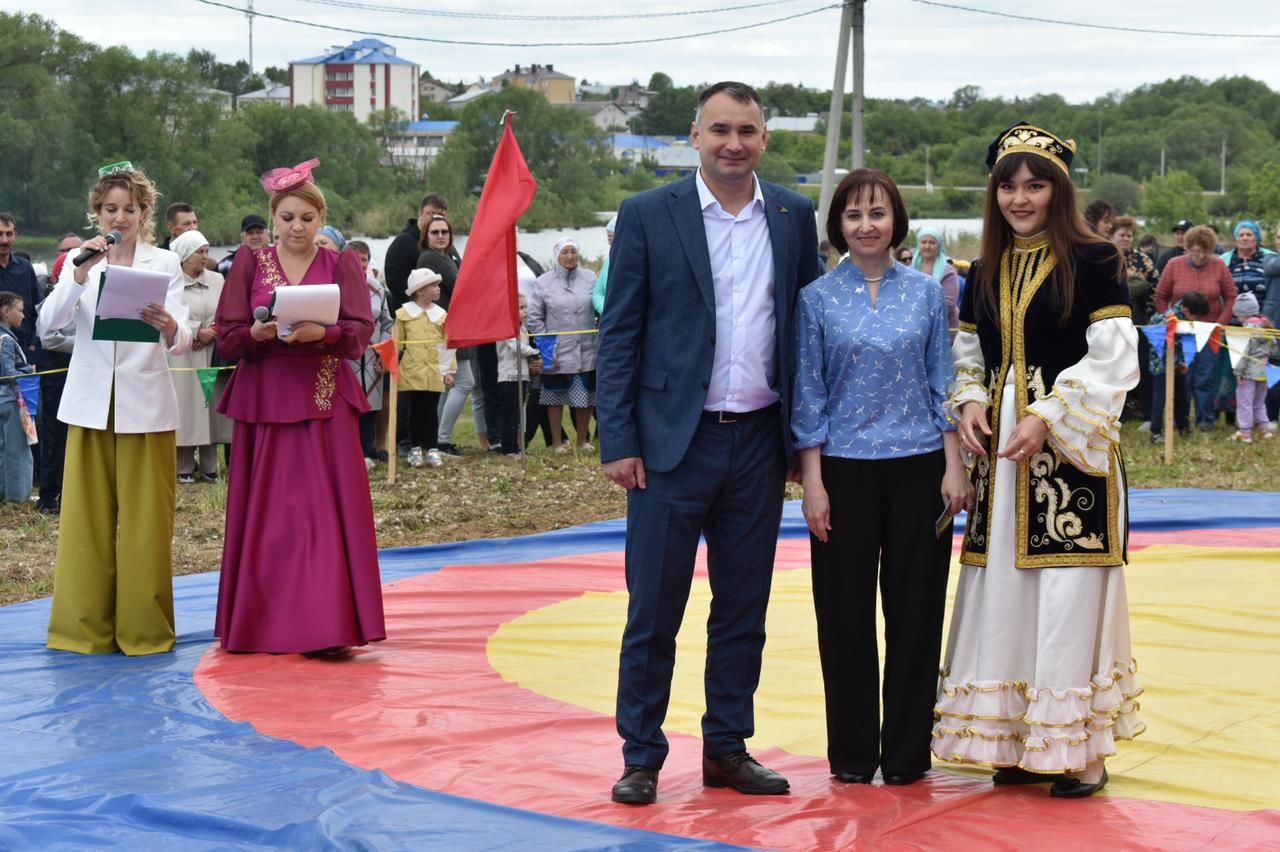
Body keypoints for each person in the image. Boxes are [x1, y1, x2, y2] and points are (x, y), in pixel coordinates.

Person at [597, 81, 823, 805]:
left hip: (758, 441)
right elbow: (620, 333)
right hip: (669, 445)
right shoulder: (646, 215)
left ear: (765, 139)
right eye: (720, 129)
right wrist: (618, 437)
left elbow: (804, 334)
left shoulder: (793, 215)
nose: (734, 143)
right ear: (694, 135)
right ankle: (641, 755)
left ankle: (727, 747)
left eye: (748, 131)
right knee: (653, 609)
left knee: (743, 608)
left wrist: (802, 439)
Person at [932, 123, 1143, 799]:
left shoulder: (1095, 260)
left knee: (1066, 596)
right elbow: (970, 355)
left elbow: (1113, 355)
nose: (1020, 199)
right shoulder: (982, 271)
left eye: (1035, 184)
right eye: (1008, 186)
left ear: (1059, 190)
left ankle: (1077, 751)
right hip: (1003, 461)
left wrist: (1046, 413)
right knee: (1005, 595)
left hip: (1072, 453)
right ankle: (1013, 742)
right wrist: (969, 402)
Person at [793, 169, 971, 787]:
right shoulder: (816, 299)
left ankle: (905, 755)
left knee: (916, 614)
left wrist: (954, 466)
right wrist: (812, 482)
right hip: (842, 470)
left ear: (897, 220)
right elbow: (809, 393)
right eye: (853, 215)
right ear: (838, 226)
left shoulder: (926, 293)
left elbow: (941, 381)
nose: (866, 226)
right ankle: (850, 754)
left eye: (877, 213)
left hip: (921, 468)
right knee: (843, 616)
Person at [213, 158, 384, 656]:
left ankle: (327, 627)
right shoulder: (249, 263)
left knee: (323, 514)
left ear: (320, 219)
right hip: (266, 399)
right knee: (269, 515)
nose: (296, 227)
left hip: (324, 401)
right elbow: (227, 336)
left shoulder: (342, 263)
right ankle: (260, 622)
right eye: (287, 218)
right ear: (273, 219)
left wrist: (324, 333)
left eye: (306, 219)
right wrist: (257, 333)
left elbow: (358, 333)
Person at [39, 162, 193, 655]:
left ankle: (144, 632)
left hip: (146, 407)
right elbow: (48, 328)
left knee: (147, 525)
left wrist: (169, 324)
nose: (120, 217)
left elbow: (184, 340)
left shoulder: (165, 264)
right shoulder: (82, 264)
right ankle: (82, 630)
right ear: (96, 212)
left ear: (145, 212)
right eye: (110, 208)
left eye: (130, 208)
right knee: (86, 522)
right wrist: (78, 275)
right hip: (89, 408)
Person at [1154, 225, 1236, 431]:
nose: (1200, 256)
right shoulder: (1174, 265)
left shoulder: (1218, 266)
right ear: (1187, 248)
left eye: (1205, 252)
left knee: (1205, 379)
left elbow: (1230, 295)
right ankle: (1181, 423)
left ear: (1211, 250)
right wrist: (1168, 317)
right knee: (1182, 378)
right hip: (1180, 333)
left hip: (1209, 332)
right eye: (1195, 251)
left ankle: (1205, 421)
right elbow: (1161, 296)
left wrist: (1221, 322)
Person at [168, 230, 231, 484]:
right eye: (200, 252)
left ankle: (209, 466)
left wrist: (212, 332)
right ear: (184, 255)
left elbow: (227, 312)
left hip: (212, 352)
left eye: (207, 251)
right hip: (183, 353)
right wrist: (194, 331)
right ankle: (183, 465)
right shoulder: (171, 281)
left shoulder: (217, 280)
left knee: (211, 407)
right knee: (186, 406)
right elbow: (167, 311)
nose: (206, 257)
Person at [527, 237, 598, 453]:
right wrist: (546, 343)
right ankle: (557, 442)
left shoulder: (590, 278)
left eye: (573, 252)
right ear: (557, 255)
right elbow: (534, 317)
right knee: (555, 397)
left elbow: (599, 306)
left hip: (586, 347)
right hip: (556, 349)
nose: (569, 257)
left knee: (584, 396)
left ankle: (582, 440)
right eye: (565, 252)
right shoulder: (543, 282)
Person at [416, 214, 480, 455]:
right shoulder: (433, 258)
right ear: (426, 236)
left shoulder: (446, 256)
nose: (441, 236)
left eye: (445, 232)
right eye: (435, 232)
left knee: (448, 385)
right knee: (465, 382)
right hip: (445, 328)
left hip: (449, 326)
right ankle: (441, 440)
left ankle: (437, 439)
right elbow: (460, 285)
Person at [36, 234, 81, 514]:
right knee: (54, 436)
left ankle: (74, 494)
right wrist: (89, 345)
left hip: (83, 375)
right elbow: (48, 337)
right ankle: (48, 495)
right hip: (56, 375)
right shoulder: (53, 300)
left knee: (80, 436)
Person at [394, 267, 454, 468]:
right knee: (414, 410)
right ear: (420, 290)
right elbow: (397, 343)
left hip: (434, 370)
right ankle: (415, 448)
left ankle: (433, 448)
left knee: (431, 410)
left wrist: (449, 371)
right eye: (434, 286)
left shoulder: (441, 315)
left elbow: (447, 345)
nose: (438, 289)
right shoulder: (404, 315)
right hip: (412, 371)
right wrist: (390, 362)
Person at [347, 239, 394, 464]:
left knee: (370, 406)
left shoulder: (378, 290)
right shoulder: (337, 286)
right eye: (355, 259)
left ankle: (365, 452)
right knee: (348, 406)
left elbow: (387, 323)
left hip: (372, 356)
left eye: (364, 259)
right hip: (346, 357)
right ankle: (348, 454)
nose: (360, 264)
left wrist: (384, 351)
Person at [1149, 291, 1209, 444]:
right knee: (1160, 398)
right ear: (1186, 311)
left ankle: (1183, 427)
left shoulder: (1186, 321)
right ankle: (1156, 431)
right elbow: (1160, 343)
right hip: (1161, 365)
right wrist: (1174, 363)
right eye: (1196, 316)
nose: (1197, 320)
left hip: (1177, 364)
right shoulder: (1167, 319)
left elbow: (1185, 344)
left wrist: (1184, 363)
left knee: (1181, 398)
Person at [385, 193, 450, 310]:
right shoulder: (403, 243)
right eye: (431, 213)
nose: (435, 218)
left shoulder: (444, 243)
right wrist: (418, 309)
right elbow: (394, 281)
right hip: (413, 316)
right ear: (420, 213)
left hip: (442, 314)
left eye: (440, 215)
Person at [0, 291, 36, 501]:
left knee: (4, 448)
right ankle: (18, 498)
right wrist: (30, 370)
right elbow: (7, 373)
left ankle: (6, 493)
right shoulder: (5, 340)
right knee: (18, 449)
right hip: (12, 400)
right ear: (6, 311)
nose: (23, 316)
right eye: (20, 310)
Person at [495, 293, 539, 456]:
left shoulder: (524, 329)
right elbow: (517, 348)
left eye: (526, 307)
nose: (525, 310)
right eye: (521, 308)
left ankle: (517, 446)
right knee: (510, 414)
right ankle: (508, 448)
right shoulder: (506, 327)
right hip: (508, 377)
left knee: (519, 414)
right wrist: (535, 351)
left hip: (522, 376)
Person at [1229, 292, 1276, 443]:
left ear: (1243, 314)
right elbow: (1274, 349)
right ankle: (1264, 429)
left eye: (1238, 316)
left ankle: (1245, 432)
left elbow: (1244, 353)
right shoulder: (1266, 325)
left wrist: (1238, 372)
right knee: (1259, 403)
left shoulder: (1248, 330)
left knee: (1244, 402)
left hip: (1249, 373)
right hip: (1264, 371)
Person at [912, 226, 961, 339]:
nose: (927, 246)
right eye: (923, 242)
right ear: (918, 245)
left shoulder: (948, 271)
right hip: (916, 331)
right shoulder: (910, 268)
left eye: (932, 242)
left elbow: (948, 305)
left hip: (944, 331)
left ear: (939, 245)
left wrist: (915, 311)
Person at [1221, 220, 1274, 299]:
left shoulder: (1269, 257)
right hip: (1232, 309)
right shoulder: (1224, 259)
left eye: (1249, 235)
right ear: (1236, 240)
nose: (1245, 238)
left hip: (1263, 309)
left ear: (1256, 239)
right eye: (1241, 235)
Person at [592, 215, 618, 318]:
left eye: (614, 239)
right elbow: (597, 293)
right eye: (609, 240)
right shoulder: (609, 261)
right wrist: (608, 311)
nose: (612, 245)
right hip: (611, 322)